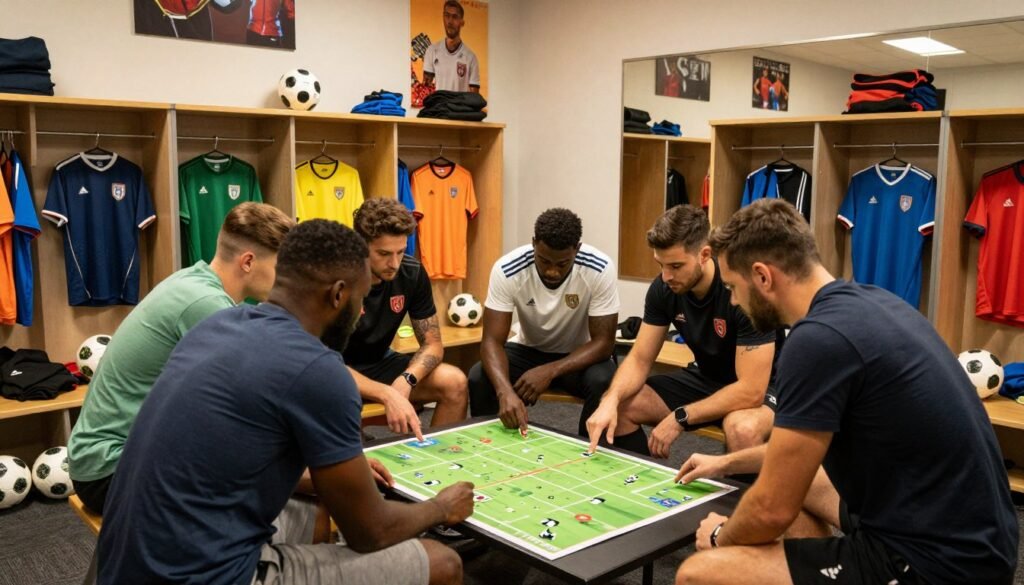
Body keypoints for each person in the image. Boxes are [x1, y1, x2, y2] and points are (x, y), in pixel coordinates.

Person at [97, 219, 473, 585]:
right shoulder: (321, 371)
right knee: (442, 562)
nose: (361, 313)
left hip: (122, 561)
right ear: (338, 294)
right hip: (204, 574)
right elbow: (370, 532)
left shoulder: (217, 324)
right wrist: (440, 508)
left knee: (321, 506)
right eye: (360, 299)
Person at [674, 199, 1018, 585]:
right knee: (805, 483)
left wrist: (722, 537)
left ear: (763, 277)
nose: (733, 300)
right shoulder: (871, 301)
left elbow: (772, 509)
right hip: (981, 537)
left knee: (698, 573)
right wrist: (724, 463)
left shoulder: (816, 341)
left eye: (733, 288)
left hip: (939, 564)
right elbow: (793, 456)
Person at [68, 202, 293, 514]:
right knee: (262, 470)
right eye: (281, 268)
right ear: (248, 261)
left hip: (110, 459)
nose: (286, 279)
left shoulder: (195, 280)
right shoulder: (205, 303)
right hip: (110, 471)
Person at [587, 204, 778, 458]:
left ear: (705, 254)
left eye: (676, 266)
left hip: (767, 386)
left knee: (741, 428)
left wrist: (681, 416)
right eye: (661, 265)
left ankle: (743, 499)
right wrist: (611, 399)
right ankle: (644, 489)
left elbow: (750, 390)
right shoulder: (664, 288)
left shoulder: (741, 289)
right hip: (707, 377)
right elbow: (640, 358)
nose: (666, 276)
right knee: (619, 408)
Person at [469, 208, 619, 437]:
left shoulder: (599, 268)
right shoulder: (507, 269)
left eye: (562, 264)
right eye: (544, 260)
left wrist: (550, 371)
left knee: (604, 379)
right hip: (528, 351)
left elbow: (604, 343)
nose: (552, 271)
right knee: (480, 376)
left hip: (579, 357)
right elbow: (491, 341)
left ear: (577, 249)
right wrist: (504, 393)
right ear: (534, 244)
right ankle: (488, 446)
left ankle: (587, 451)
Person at [346, 198, 468, 440]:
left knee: (455, 382)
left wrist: (407, 379)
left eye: (400, 252)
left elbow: (433, 344)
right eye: (383, 253)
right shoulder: (334, 278)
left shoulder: (411, 273)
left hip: (380, 363)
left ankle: (435, 463)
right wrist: (386, 394)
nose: (394, 263)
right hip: (336, 370)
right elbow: (320, 361)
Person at [422, 0, 481, 93]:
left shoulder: (471, 58)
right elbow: (425, 90)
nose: (450, 21)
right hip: (439, 107)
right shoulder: (432, 51)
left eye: (455, 17)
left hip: (460, 108)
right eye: (447, 16)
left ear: (462, 22)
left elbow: (474, 97)